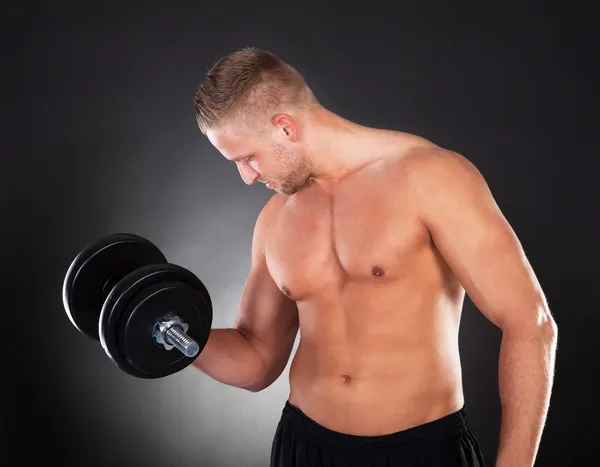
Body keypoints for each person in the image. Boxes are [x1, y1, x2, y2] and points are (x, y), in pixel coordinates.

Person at [191, 47, 558, 467]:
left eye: (247, 158)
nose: (247, 177)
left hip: (421, 451)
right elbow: (256, 360)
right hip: (304, 447)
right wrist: (165, 331)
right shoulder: (275, 219)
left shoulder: (430, 178)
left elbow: (531, 324)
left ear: (286, 128)